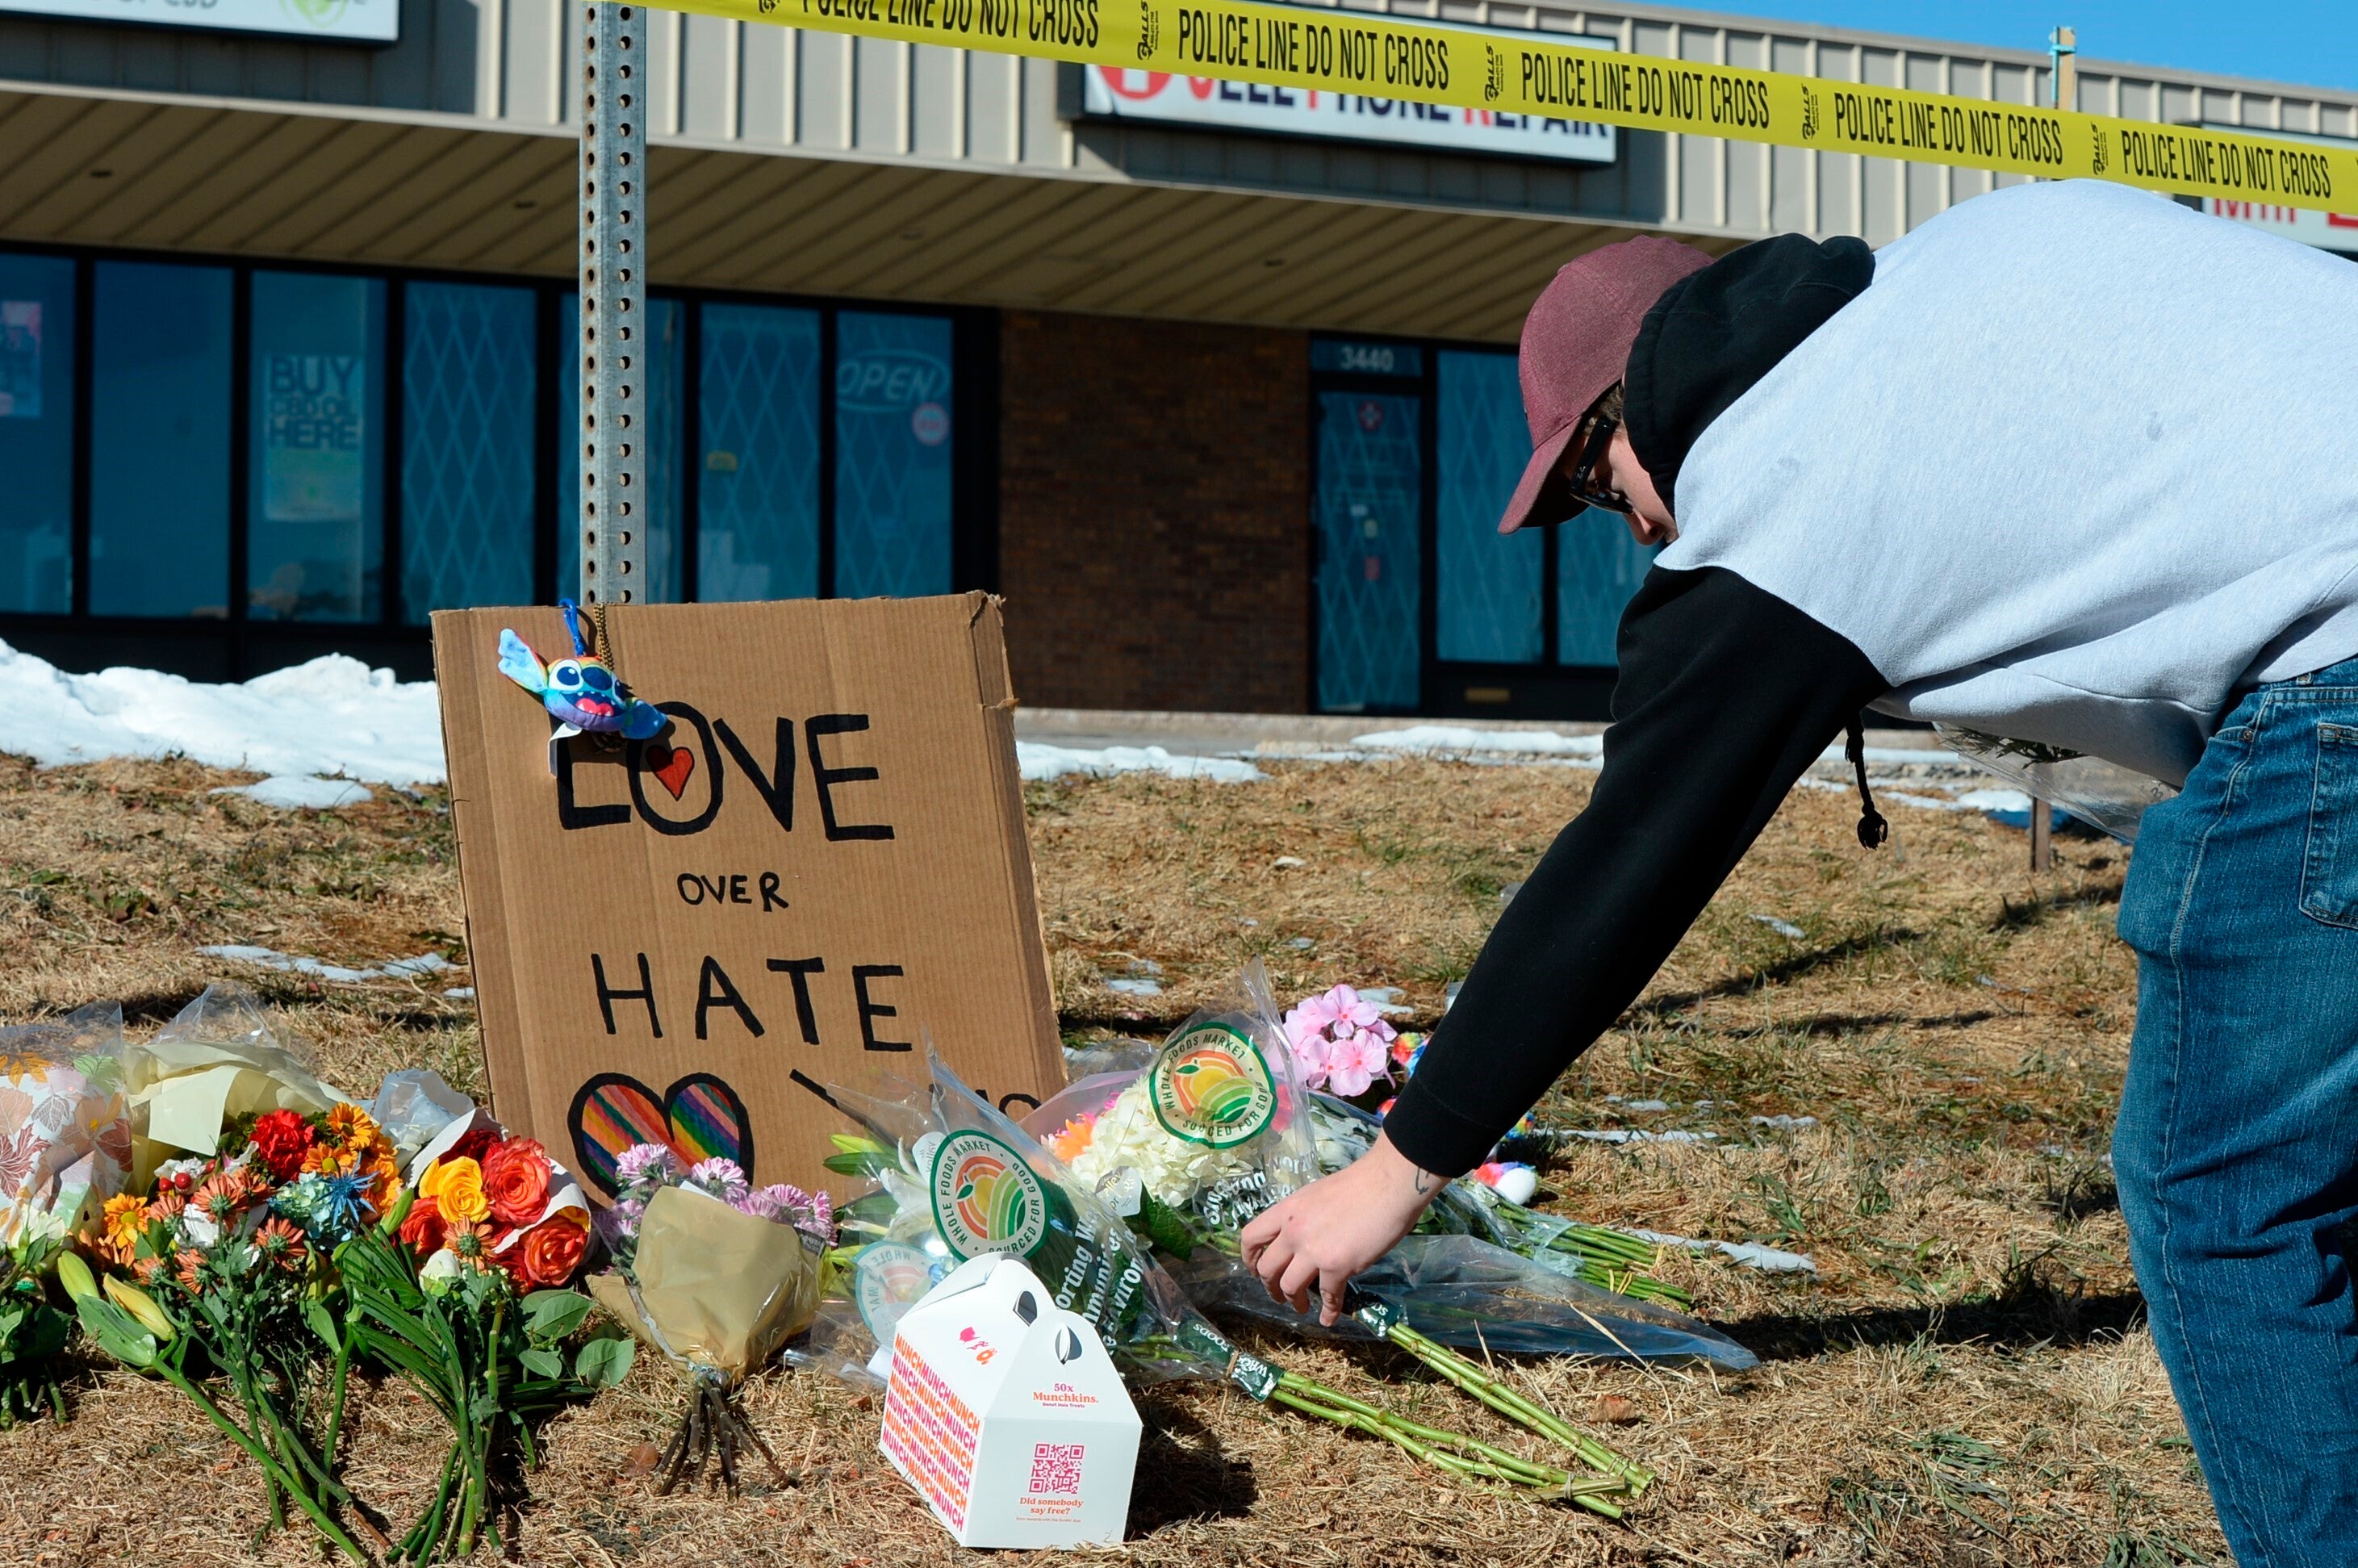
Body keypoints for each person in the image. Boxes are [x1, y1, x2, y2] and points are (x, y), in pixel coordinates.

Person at [1240, 178, 2358, 1564]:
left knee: (2225, 1188)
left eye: (1595, 488)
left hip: (2337, 664)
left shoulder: (1788, 481)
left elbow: (1629, 862)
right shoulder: (1943, 283)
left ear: (1632, 410)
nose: (1637, 529)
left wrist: (1401, 1164)